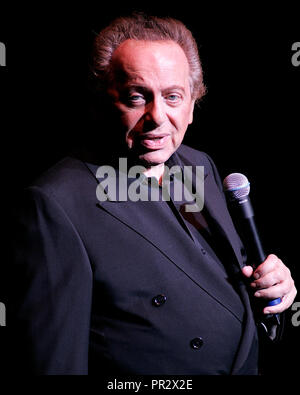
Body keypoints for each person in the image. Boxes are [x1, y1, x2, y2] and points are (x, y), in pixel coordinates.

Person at [9, 13, 296, 375]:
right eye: (136, 97)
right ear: (102, 102)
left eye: (173, 97)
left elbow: (228, 300)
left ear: (193, 104)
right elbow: (55, 363)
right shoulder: (57, 204)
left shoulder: (200, 165)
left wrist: (272, 292)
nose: (157, 116)